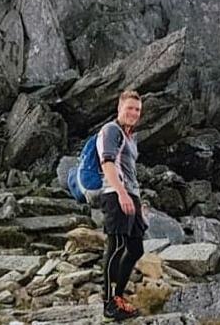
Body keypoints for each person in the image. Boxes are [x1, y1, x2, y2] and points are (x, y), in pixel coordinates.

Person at [99, 89, 147, 321]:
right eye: (129, 108)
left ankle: (118, 297)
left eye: (137, 110)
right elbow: (107, 163)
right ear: (119, 108)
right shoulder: (111, 130)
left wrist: (137, 200)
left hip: (131, 195)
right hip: (115, 193)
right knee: (116, 246)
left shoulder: (130, 137)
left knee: (136, 248)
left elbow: (129, 170)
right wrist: (121, 193)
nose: (133, 113)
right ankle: (109, 304)